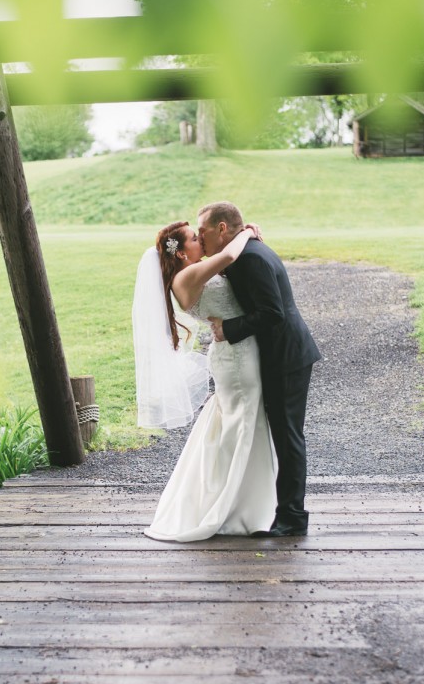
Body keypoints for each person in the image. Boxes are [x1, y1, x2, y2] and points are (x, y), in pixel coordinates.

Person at [133, 220, 276, 542]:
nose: (201, 240)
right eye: (195, 238)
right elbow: (227, 257)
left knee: (238, 422)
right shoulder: (187, 276)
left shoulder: (193, 270)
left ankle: (244, 502)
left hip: (235, 352)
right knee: (242, 422)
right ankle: (235, 507)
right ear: (182, 253)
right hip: (236, 359)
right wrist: (247, 234)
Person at [199, 201, 320, 538]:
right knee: (283, 435)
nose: (199, 236)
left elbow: (273, 312)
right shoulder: (246, 251)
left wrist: (229, 329)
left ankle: (293, 518)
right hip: (279, 354)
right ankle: (278, 512)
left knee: (288, 437)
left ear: (222, 229)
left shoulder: (251, 259)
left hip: (286, 357)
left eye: (204, 230)